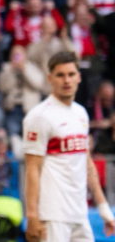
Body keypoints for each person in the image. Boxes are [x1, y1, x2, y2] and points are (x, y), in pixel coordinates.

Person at [23, 51, 115, 242]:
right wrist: (32, 216)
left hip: (80, 214)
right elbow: (32, 169)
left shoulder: (81, 113)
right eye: (60, 75)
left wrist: (104, 208)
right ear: (50, 79)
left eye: (71, 74)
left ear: (79, 77)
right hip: (52, 216)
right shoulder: (39, 116)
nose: (66, 80)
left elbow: (87, 164)